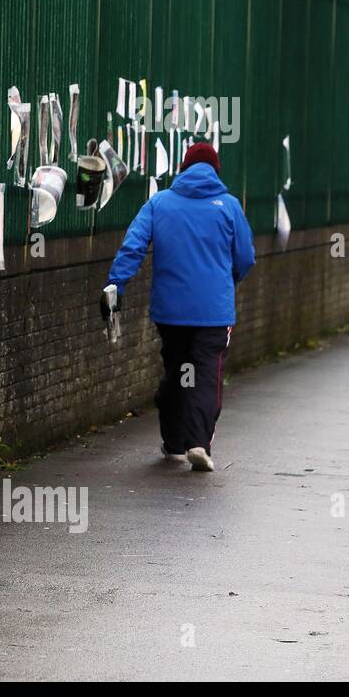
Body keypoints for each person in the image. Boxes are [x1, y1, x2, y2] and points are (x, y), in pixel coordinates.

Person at [101, 143, 255, 472]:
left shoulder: (159, 203)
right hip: (213, 313)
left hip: (171, 313)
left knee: (178, 372)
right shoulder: (228, 206)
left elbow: (133, 246)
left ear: (183, 168)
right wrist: (229, 280)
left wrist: (117, 285)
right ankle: (198, 442)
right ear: (216, 170)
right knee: (205, 376)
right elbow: (245, 257)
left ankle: (173, 443)